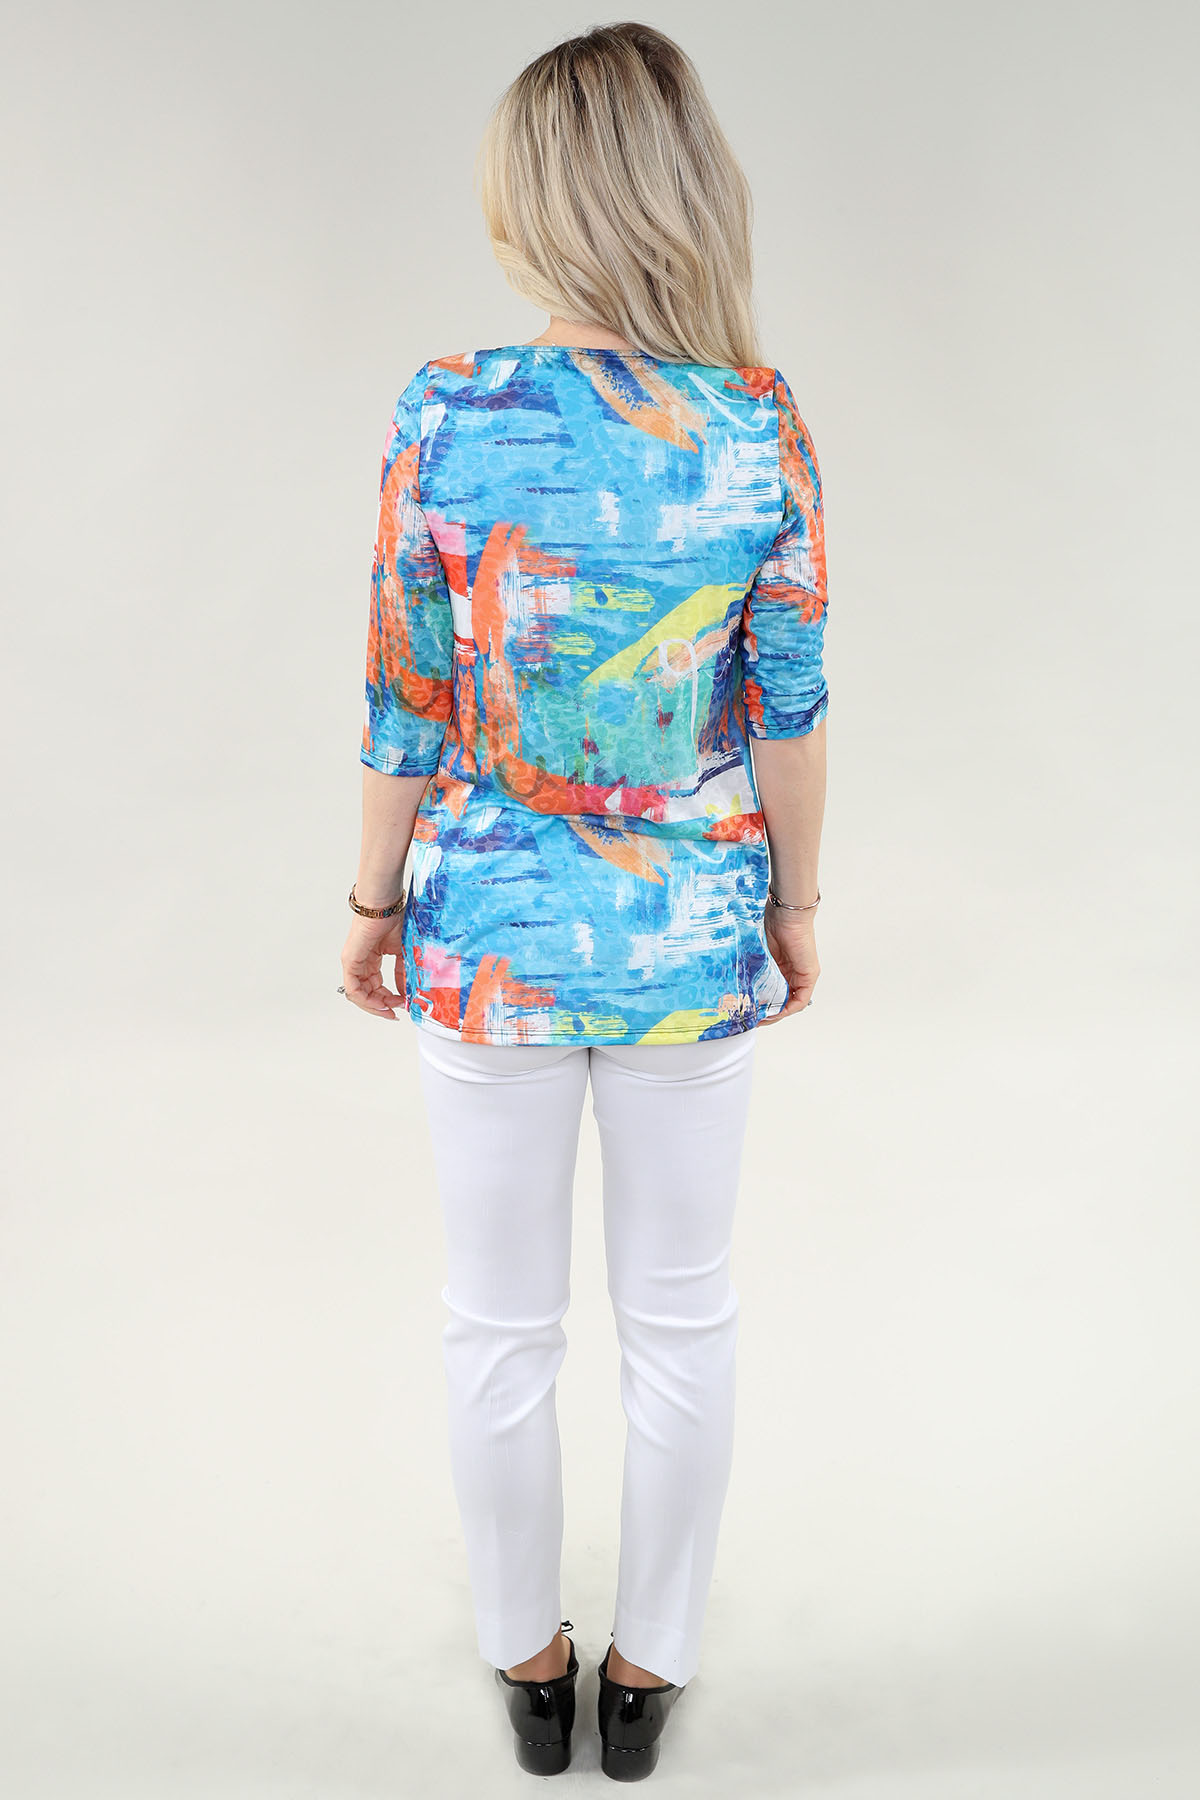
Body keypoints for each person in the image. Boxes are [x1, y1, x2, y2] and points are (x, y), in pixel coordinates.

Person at [338, 21, 828, 1781]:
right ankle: (651, 1673)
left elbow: (406, 692)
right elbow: (790, 704)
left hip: (485, 934)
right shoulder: (757, 422)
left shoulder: (445, 407)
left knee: (498, 1320)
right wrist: (794, 905)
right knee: (682, 1316)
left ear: (529, 198)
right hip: (691, 932)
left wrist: (374, 899)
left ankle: (526, 1665)